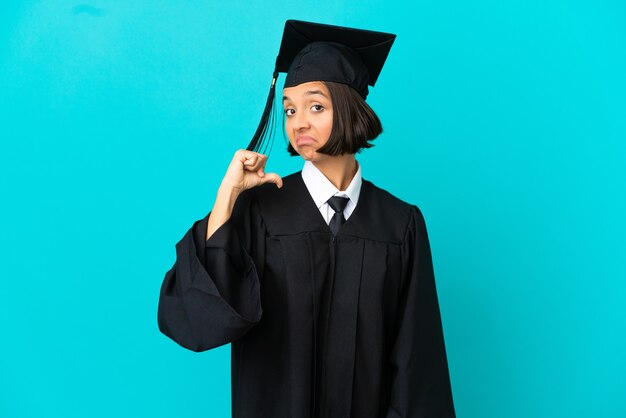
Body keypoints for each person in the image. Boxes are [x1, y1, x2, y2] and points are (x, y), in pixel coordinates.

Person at [158, 20, 455, 418]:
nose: (299, 123)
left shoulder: (399, 225)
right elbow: (200, 322)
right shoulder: (259, 212)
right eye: (290, 110)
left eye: (316, 107)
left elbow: (417, 365)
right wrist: (227, 198)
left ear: (351, 109)